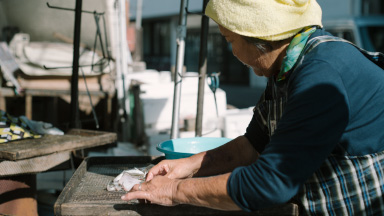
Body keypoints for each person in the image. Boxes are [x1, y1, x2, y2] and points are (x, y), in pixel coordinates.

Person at [122, 0, 384, 215]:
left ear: (258, 34)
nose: (232, 52)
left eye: (229, 39)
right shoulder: (287, 67)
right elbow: (252, 144)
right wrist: (187, 166)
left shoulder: (320, 74)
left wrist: (173, 191)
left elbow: (270, 182)